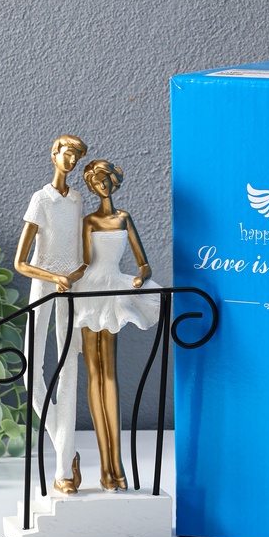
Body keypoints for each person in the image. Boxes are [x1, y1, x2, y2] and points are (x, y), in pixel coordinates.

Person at [74, 160, 161, 491]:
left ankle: (116, 466)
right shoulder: (89, 221)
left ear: (113, 182)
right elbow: (84, 263)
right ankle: (106, 467)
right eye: (96, 182)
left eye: (106, 180)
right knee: (93, 372)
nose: (102, 186)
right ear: (91, 186)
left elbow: (143, 263)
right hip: (90, 290)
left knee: (108, 373)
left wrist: (141, 277)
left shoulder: (124, 218)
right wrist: (63, 279)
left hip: (114, 286)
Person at [14, 134, 88, 495]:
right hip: (44, 286)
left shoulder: (77, 200)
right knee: (31, 367)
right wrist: (53, 277)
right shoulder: (40, 200)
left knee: (69, 365)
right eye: (67, 153)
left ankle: (62, 471)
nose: (71, 161)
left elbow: (81, 253)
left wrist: (75, 274)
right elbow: (20, 262)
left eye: (76, 156)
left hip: (71, 288)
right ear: (54, 154)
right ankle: (66, 449)